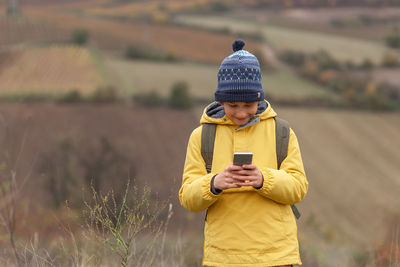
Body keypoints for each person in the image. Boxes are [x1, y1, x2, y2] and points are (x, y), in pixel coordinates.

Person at [179, 40, 308, 267]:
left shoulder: (282, 132)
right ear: (220, 101)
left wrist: (264, 179)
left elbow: (298, 188)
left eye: (248, 104)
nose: (240, 113)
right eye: (233, 105)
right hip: (223, 258)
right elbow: (188, 198)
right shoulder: (201, 137)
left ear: (259, 98)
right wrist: (214, 183)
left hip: (276, 257)